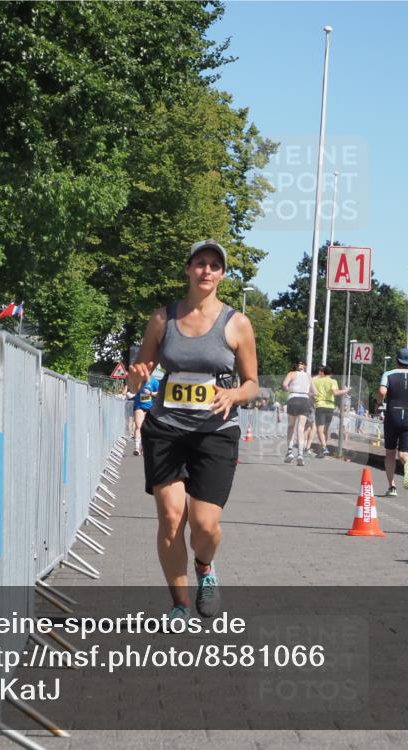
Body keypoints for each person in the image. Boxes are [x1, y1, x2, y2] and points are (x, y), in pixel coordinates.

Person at [127, 239, 258, 619]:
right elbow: (139, 379)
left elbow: (252, 383)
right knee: (170, 518)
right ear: (188, 269)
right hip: (166, 428)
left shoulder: (237, 323)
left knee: (204, 524)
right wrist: (137, 378)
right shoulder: (162, 319)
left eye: (214, 266)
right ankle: (180, 604)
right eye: (200, 263)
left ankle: (205, 567)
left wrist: (234, 394)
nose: (206, 271)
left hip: (214, 432)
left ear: (222, 275)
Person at [376, 348, 408, 496]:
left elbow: (381, 391)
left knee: (390, 453)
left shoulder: (389, 374)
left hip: (393, 414)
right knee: (404, 452)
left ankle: (392, 487)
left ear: (397, 360)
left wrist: (379, 403)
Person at [312, 365, 350, 457]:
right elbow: (335, 392)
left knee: (319, 429)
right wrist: (346, 391)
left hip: (320, 405)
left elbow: (313, 393)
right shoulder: (333, 381)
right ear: (332, 373)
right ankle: (322, 450)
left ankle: (324, 448)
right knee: (326, 429)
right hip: (330, 406)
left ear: (323, 372)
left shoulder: (316, 381)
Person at [282, 361, 314, 465]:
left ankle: (290, 452)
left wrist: (289, 389)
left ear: (296, 366)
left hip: (293, 398)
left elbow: (284, 385)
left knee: (291, 426)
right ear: (304, 366)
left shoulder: (291, 373)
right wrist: (307, 393)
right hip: (304, 400)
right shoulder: (309, 377)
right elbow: (315, 392)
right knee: (301, 428)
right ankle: (300, 454)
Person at [131, 375, 159, 456]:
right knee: (138, 426)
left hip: (150, 408)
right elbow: (132, 389)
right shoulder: (138, 380)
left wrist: (150, 393)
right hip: (139, 406)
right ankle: (136, 448)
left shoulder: (154, 381)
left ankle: (143, 446)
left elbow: (160, 393)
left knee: (146, 429)